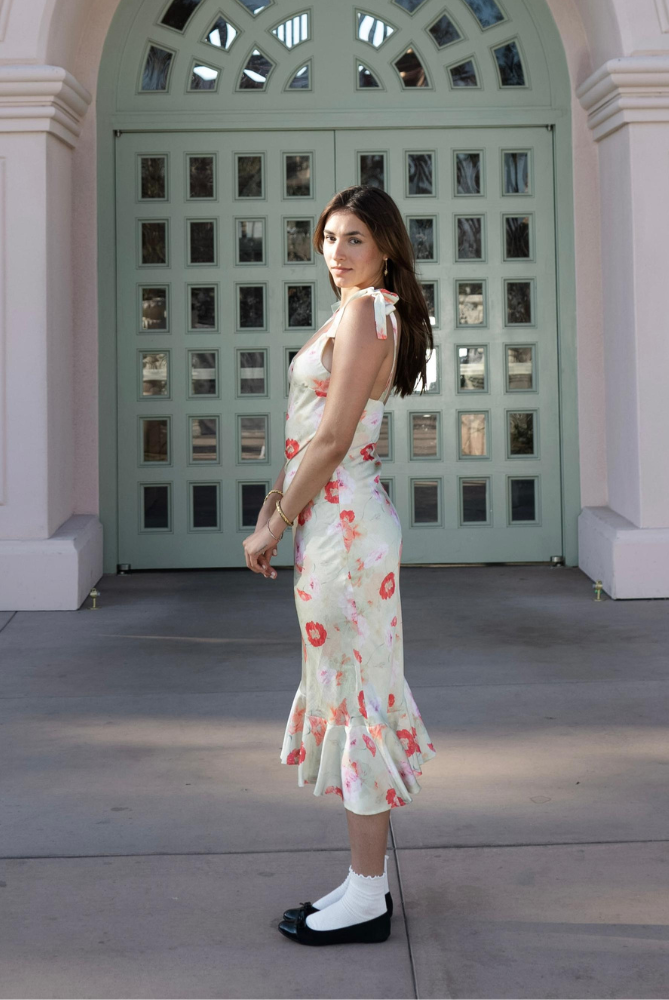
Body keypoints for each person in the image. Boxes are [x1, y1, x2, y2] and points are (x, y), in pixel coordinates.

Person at [242, 185, 437, 946]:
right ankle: (362, 883)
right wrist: (275, 505)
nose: (336, 252)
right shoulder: (359, 308)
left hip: (344, 532)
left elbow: (332, 439)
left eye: (353, 238)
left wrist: (274, 526)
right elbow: (311, 436)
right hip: (334, 521)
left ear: (384, 245)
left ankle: (366, 901)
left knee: (357, 703)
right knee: (353, 694)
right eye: (328, 238)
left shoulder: (364, 310)